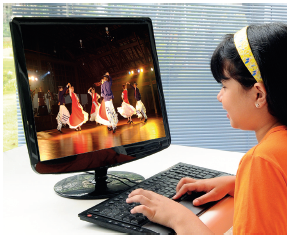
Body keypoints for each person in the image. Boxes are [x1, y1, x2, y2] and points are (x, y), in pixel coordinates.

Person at [126, 23, 287, 235]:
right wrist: (238, 184)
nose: (219, 96)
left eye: (224, 86)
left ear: (258, 94)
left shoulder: (261, 160)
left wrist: (178, 217)